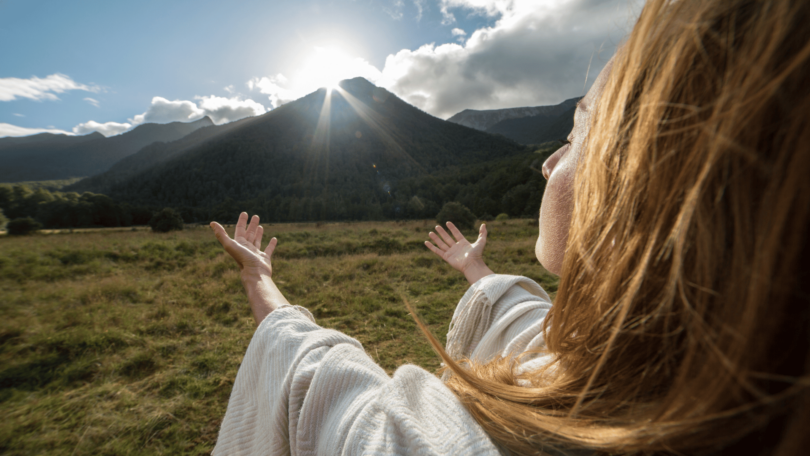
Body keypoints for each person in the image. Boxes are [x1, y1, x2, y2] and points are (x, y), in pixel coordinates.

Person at [209, 0, 810, 454]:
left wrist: (262, 283)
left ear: (651, 183)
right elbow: (531, 326)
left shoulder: (489, 440)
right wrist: (474, 267)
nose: (548, 160)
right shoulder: (716, 393)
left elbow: (320, 396)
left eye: (575, 133)